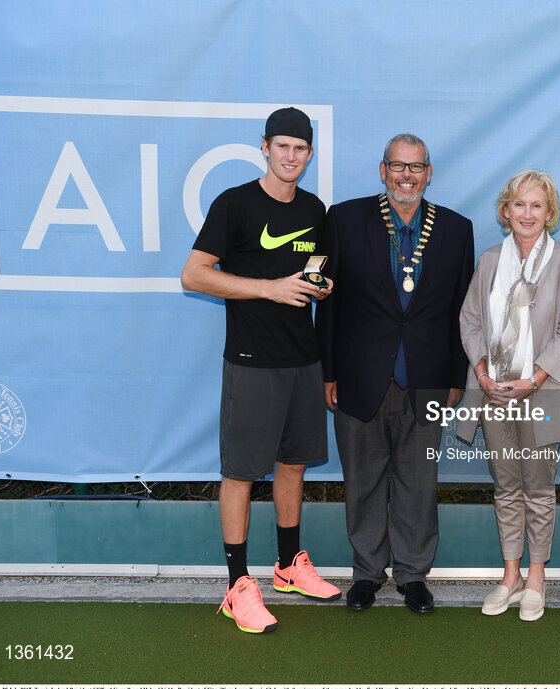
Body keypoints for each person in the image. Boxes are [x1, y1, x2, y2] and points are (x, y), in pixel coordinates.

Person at [180, 107, 341, 634]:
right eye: (283, 147)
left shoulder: (316, 209)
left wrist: (320, 287)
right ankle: (236, 586)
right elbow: (195, 275)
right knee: (242, 473)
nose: (291, 156)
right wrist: (267, 288)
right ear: (265, 147)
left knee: (293, 465)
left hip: (303, 359)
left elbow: (314, 275)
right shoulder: (235, 204)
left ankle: (289, 567)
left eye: (301, 149)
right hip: (251, 361)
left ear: (310, 154)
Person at [315, 133, 474, 614]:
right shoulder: (343, 219)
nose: (407, 176)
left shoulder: (455, 228)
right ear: (382, 170)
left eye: (416, 167)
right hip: (361, 374)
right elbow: (330, 304)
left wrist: (456, 377)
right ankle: (366, 573)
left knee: (418, 481)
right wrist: (329, 370)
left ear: (429, 172)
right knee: (361, 479)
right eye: (397, 166)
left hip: (426, 377)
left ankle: (412, 576)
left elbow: (460, 313)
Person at [457, 170, 560, 622]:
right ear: (505, 210)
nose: (527, 214)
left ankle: (536, 578)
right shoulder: (490, 260)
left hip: (540, 393)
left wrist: (535, 379)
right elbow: (470, 321)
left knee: (540, 488)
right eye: (519, 205)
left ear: (550, 214)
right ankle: (509, 576)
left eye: (537, 206)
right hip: (493, 393)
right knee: (506, 486)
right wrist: (481, 367)